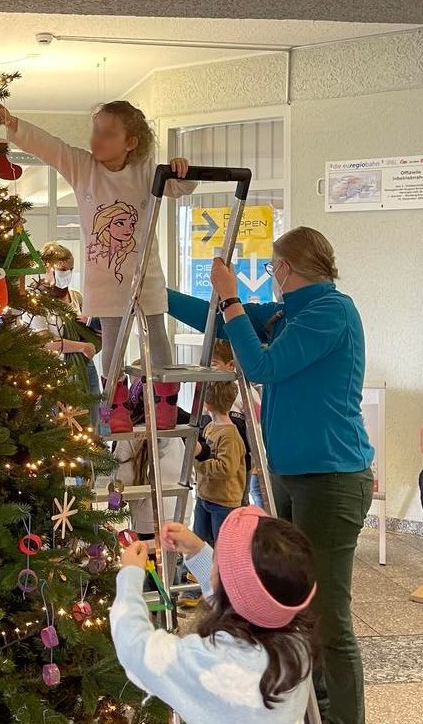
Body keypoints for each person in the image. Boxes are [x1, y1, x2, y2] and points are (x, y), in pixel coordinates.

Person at [167, 225, 374, 724]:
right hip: (287, 476)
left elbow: (263, 366)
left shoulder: (331, 312)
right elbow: (218, 321)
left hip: (331, 479)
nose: (271, 274)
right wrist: (157, 291)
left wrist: (232, 298)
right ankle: (313, 708)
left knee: (328, 615)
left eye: (272, 266)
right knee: (294, 605)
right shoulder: (287, 313)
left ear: (284, 268)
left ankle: (344, 717)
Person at [0, 100, 196, 427]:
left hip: (145, 276)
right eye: (96, 130)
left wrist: (181, 169)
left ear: (131, 142)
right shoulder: (83, 167)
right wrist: (13, 123)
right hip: (104, 281)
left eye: (108, 133)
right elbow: (50, 147)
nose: (97, 139)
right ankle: (116, 405)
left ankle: (165, 401)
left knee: (157, 334)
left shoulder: (146, 170)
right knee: (113, 341)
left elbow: (179, 187)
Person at [111, 510, 317, 723]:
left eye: (216, 560)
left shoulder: (207, 662)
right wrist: (196, 550)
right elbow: (244, 600)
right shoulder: (298, 641)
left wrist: (130, 575)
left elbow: (135, 648)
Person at [22, 242, 101, 423]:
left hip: (85, 367)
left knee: (91, 421)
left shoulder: (76, 296)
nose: (67, 274)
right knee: (61, 424)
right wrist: (83, 347)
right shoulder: (34, 300)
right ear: (46, 268)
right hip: (54, 371)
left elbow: (92, 330)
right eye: (62, 270)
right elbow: (44, 341)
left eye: (71, 269)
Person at [192, 381, 247, 544]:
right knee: (200, 543)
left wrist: (197, 461)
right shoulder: (210, 427)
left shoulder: (230, 436)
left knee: (223, 546)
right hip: (205, 496)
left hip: (224, 502)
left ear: (207, 403)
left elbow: (226, 469)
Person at [210, 338, 263, 507]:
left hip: (241, 461)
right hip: (215, 458)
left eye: (214, 364)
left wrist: (256, 459)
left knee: (238, 501)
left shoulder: (245, 393)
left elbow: (256, 427)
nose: (209, 369)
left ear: (231, 365)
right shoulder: (209, 389)